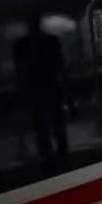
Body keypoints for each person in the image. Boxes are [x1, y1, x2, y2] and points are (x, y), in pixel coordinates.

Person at [14, 11, 68, 161]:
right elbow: (61, 66)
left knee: (40, 125)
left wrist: (22, 90)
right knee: (57, 122)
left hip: (34, 89)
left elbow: (20, 70)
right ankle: (62, 151)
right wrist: (66, 87)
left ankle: (47, 153)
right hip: (51, 85)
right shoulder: (51, 41)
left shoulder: (21, 45)